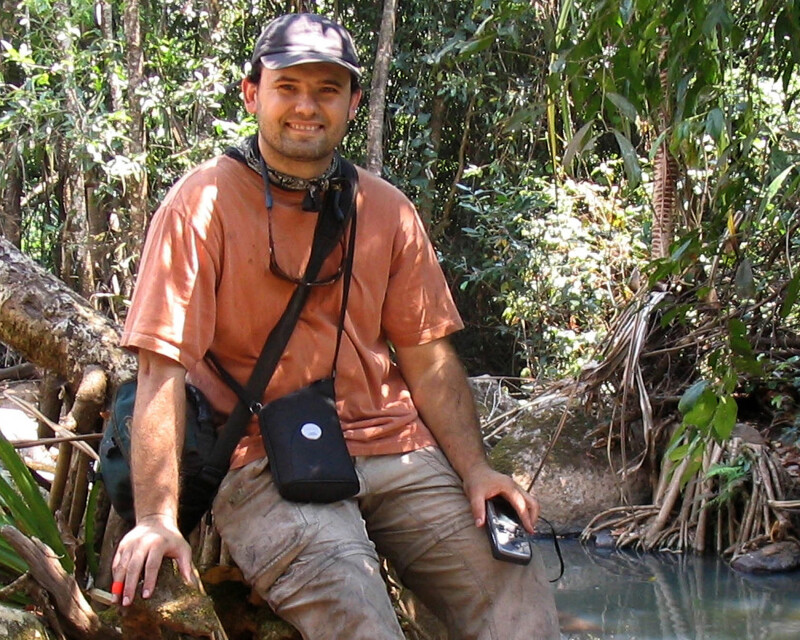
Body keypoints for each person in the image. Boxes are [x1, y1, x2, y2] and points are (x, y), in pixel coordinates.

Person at [111, 12, 559, 640]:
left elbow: (429, 358)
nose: (306, 106)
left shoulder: (388, 209)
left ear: (352, 103)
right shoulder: (201, 204)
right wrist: (156, 518)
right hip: (263, 457)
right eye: (287, 87)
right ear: (252, 95)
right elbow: (160, 369)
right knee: (355, 610)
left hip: (395, 446)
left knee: (512, 585)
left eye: (327, 90)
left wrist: (477, 470)